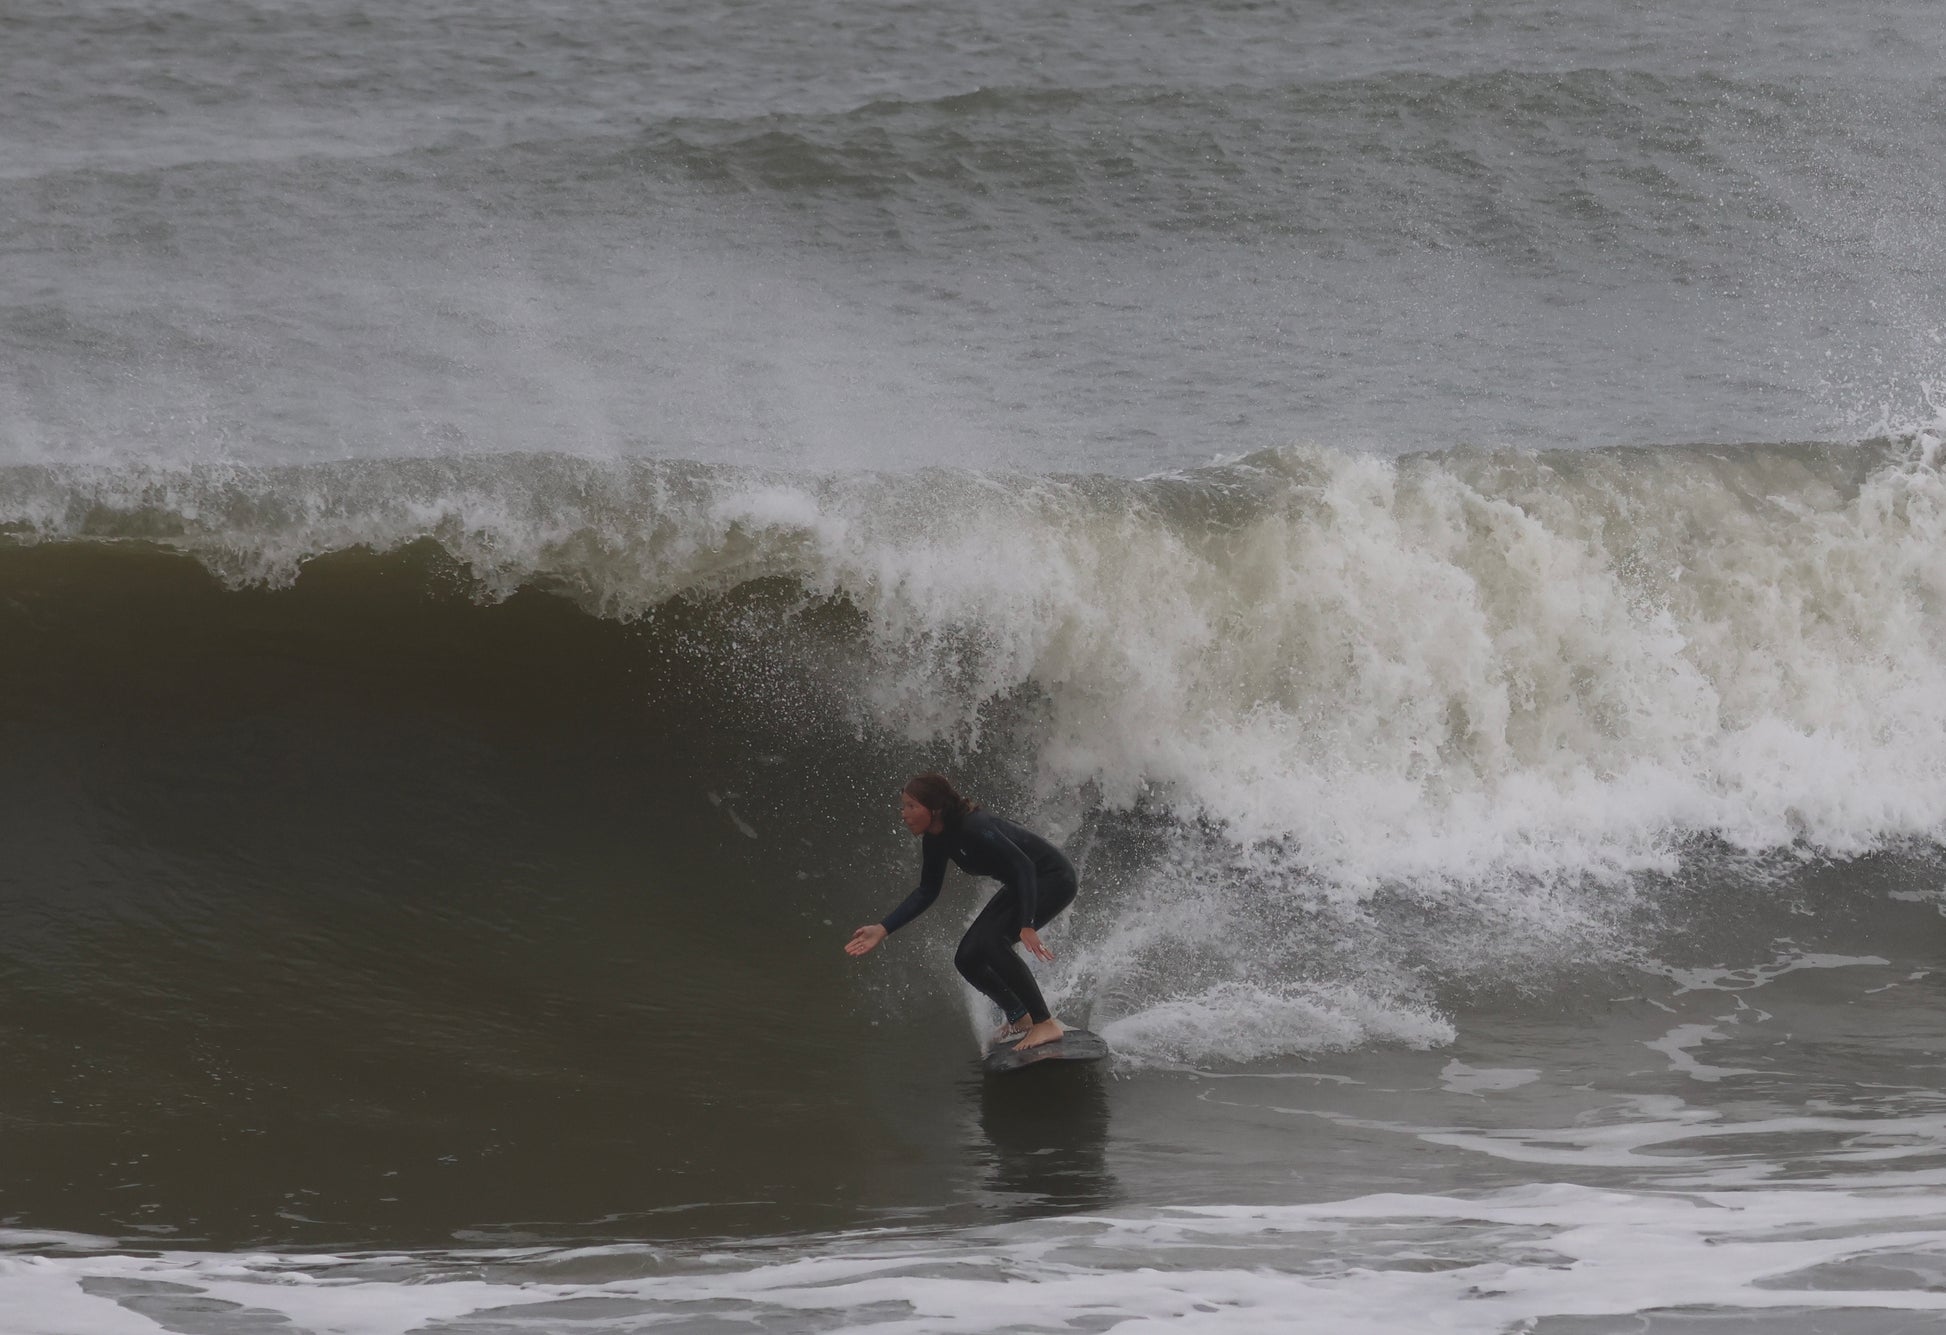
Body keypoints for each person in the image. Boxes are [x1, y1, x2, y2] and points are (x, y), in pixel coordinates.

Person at [845, 773, 1078, 1051]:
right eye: (903, 806)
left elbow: (1024, 865)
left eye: (911, 806)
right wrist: (883, 928)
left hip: (1053, 879)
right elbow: (927, 891)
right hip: (1022, 885)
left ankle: (1044, 1022)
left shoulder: (975, 827)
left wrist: (1026, 924)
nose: (903, 813)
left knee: (993, 941)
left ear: (934, 809)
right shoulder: (935, 839)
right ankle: (1020, 1017)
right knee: (967, 958)